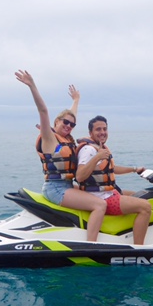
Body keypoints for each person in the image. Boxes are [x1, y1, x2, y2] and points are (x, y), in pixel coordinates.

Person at [15, 70, 107, 242]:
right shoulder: (49, 138)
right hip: (56, 188)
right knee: (99, 204)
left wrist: (76, 100)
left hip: (67, 184)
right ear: (55, 122)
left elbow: (71, 116)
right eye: (65, 122)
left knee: (101, 192)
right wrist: (32, 85)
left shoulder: (65, 137)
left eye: (72, 124)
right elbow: (43, 110)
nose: (69, 126)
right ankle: (91, 244)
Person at [75, 115, 152, 245]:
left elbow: (111, 169)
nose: (102, 132)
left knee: (140, 194)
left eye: (104, 129)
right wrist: (97, 156)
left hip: (108, 192)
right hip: (101, 197)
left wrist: (134, 169)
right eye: (98, 129)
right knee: (146, 207)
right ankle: (139, 247)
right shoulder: (89, 150)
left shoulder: (100, 147)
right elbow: (80, 176)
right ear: (90, 133)